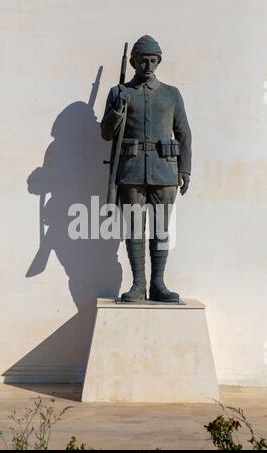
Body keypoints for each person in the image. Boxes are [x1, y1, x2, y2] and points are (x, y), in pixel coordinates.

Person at [101, 35, 192, 302]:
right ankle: (138, 283)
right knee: (134, 228)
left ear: (159, 61)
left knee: (161, 228)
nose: (148, 65)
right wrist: (117, 112)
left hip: (165, 171)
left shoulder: (171, 94)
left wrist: (185, 170)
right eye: (143, 60)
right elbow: (106, 134)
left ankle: (158, 284)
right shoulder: (119, 92)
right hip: (130, 171)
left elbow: (184, 133)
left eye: (153, 60)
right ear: (133, 62)